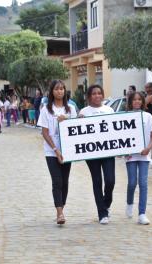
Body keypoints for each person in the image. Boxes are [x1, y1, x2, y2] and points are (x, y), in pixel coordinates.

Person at [40, 80, 77, 225]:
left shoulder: (71, 109)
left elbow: (76, 128)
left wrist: (66, 120)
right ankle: (59, 212)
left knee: (65, 182)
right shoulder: (46, 110)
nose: (60, 91)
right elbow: (44, 132)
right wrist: (56, 150)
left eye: (62, 89)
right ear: (52, 91)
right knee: (57, 181)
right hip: (51, 151)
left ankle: (62, 206)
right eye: (57, 89)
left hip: (68, 151)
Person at [79, 84, 115, 224]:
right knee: (97, 181)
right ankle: (102, 214)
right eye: (94, 93)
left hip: (108, 151)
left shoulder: (109, 110)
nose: (97, 96)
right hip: (91, 153)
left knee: (110, 180)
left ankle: (106, 204)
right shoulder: (83, 112)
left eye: (99, 93)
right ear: (89, 96)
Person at [125, 92, 152, 225]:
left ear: (143, 102)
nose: (137, 102)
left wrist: (148, 148)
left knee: (143, 184)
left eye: (139, 99)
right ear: (130, 102)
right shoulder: (125, 116)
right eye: (134, 100)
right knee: (132, 182)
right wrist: (125, 151)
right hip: (131, 155)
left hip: (144, 155)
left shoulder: (148, 116)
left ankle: (142, 213)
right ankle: (129, 203)